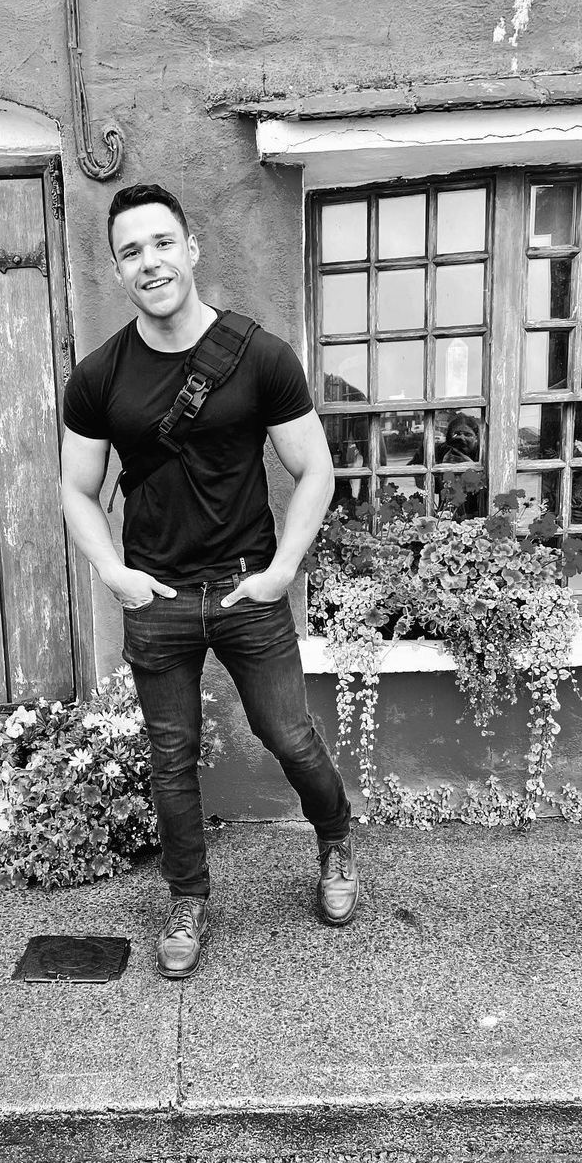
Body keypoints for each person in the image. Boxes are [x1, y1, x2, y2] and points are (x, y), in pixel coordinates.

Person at [60, 183, 355, 979]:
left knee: (288, 735)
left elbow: (315, 469)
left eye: (162, 243)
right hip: (156, 600)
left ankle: (335, 841)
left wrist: (283, 571)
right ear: (117, 270)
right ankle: (187, 896)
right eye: (130, 252)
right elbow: (76, 490)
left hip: (245, 589)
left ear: (190, 250)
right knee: (171, 757)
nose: (149, 262)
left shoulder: (259, 356)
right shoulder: (98, 377)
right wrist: (115, 573)